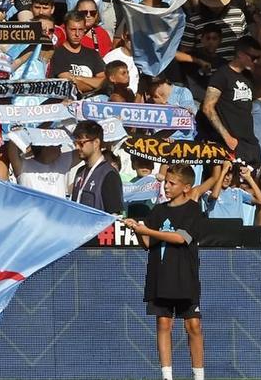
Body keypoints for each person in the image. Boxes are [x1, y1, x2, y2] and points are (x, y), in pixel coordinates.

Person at [125, 163, 211, 380]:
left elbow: (181, 237)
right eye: (165, 182)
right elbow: (147, 242)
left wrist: (149, 230)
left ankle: (198, 376)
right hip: (160, 276)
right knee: (163, 323)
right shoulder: (159, 210)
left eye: (172, 183)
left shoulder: (193, 209)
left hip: (184, 277)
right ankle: (166, 375)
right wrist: (136, 229)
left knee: (193, 325)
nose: (166, 187)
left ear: (186, 187)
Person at [67, 119, 124, 215]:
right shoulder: (80, 171)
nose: (77, 147)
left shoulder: (109, 174)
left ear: (96, 143)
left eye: (81, 143)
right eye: (75, 143)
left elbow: (114, 215)